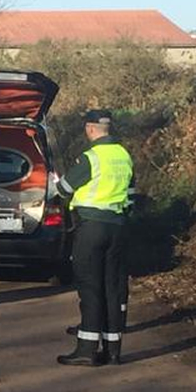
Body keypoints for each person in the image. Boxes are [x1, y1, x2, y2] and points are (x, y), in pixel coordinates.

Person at [56, 109, 135, 367]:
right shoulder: (124, 155)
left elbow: (65, 188)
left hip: (92, 228)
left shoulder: (91, 157)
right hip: (119, 227)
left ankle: (87, 350)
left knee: (90, 288)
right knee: (113, 288)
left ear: (90, 129)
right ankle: (113, 352)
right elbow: (131, 195)